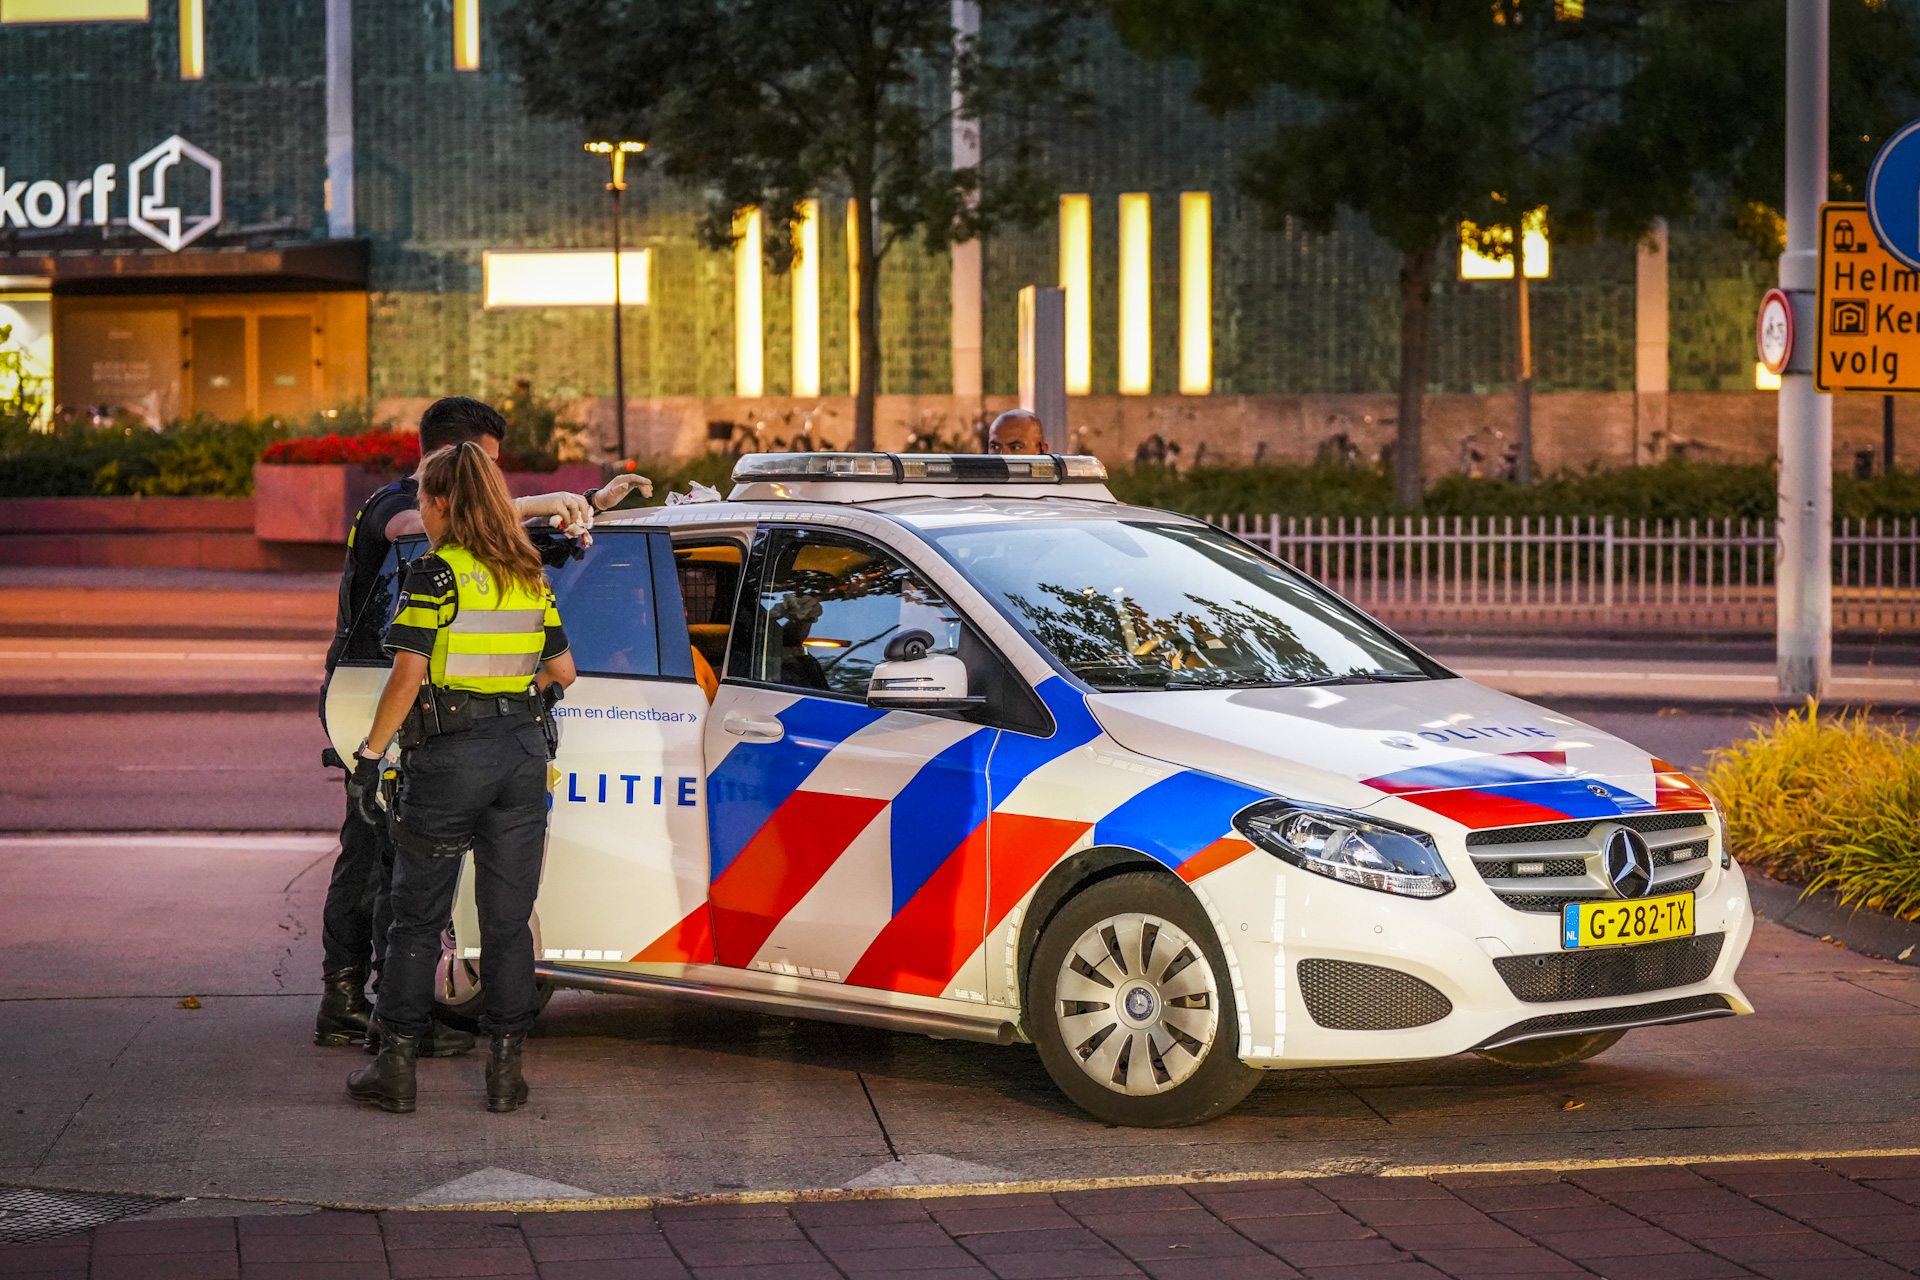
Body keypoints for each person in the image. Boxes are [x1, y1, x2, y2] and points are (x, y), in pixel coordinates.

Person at [313, 396, 641, 1053]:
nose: (490, 481)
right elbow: (435, 526)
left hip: (439, 711)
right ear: (444, 461)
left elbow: (494, 538)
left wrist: (585, 506)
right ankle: (349, 1002)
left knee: (405, 872)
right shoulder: (394, 507)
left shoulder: (466, 539)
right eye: (484, 467)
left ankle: (384, 1014)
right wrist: (548, 498)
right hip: (379, 693)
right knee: (373, 859)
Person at [345, 441, 577, 1114]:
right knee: (506, 924)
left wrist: (369, 755)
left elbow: (405, 677)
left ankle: (396, 1071)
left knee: (416, 920)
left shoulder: (436, 574)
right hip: (521, 754)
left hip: (449, 758)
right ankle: (505, 1076)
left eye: (423, 497)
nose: (420, 507)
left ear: (444, 502)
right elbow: (562, 672)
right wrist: (511, 696)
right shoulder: (528, 573)